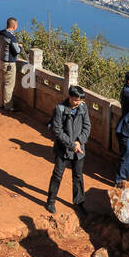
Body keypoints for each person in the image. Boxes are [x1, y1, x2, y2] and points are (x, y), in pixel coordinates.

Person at [46, 85, 91, 215]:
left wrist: (80, 141)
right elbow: (57, 130)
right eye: (76, 100)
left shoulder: (83, 107)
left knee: (78, 176)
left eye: (80, 100)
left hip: (79, 149)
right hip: (63, 149)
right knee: (57, 175)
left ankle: (79, 202)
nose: (78, 102)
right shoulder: (60, 109)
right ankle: (51, 201)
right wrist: (72, 145)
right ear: (70, 98)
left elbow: (87, 126)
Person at [0, 17, 21, 111]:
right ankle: (8, 106)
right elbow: (17, 51)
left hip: (2, 61)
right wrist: (20, 46)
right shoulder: (11, 37)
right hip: (10, 64)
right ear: (14, 26)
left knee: (2, 83)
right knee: (9, 85)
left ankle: (1, 103)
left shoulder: (0, 33)